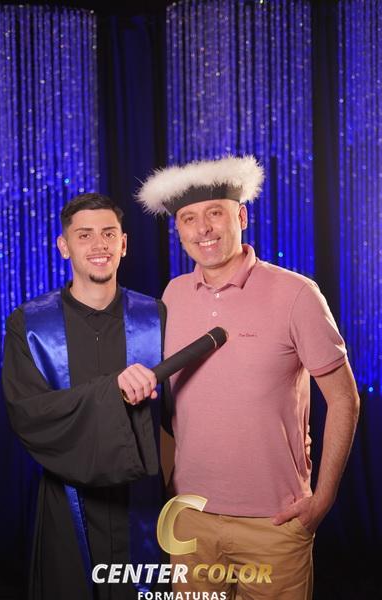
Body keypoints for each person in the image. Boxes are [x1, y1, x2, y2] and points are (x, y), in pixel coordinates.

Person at [131, 156, 360, 600]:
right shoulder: (173, 294)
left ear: (241, 216)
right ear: (178, 230)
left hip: (274, 523)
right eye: (189, 219)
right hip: (190, 521)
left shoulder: (297, 293)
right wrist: (171, 483)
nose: (203, 229)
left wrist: (323, 498)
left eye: (215, 213)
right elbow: (171, 404)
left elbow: (344, 399)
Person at [2, 193, 168, 600]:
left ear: (123, 244)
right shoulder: (30, 324)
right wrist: (112, 391)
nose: (99, 245)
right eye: (84, 235)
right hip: (67, 500)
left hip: (144, 501)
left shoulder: (156, 316)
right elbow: (29, 414)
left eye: (109, 234)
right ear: (64, 246)